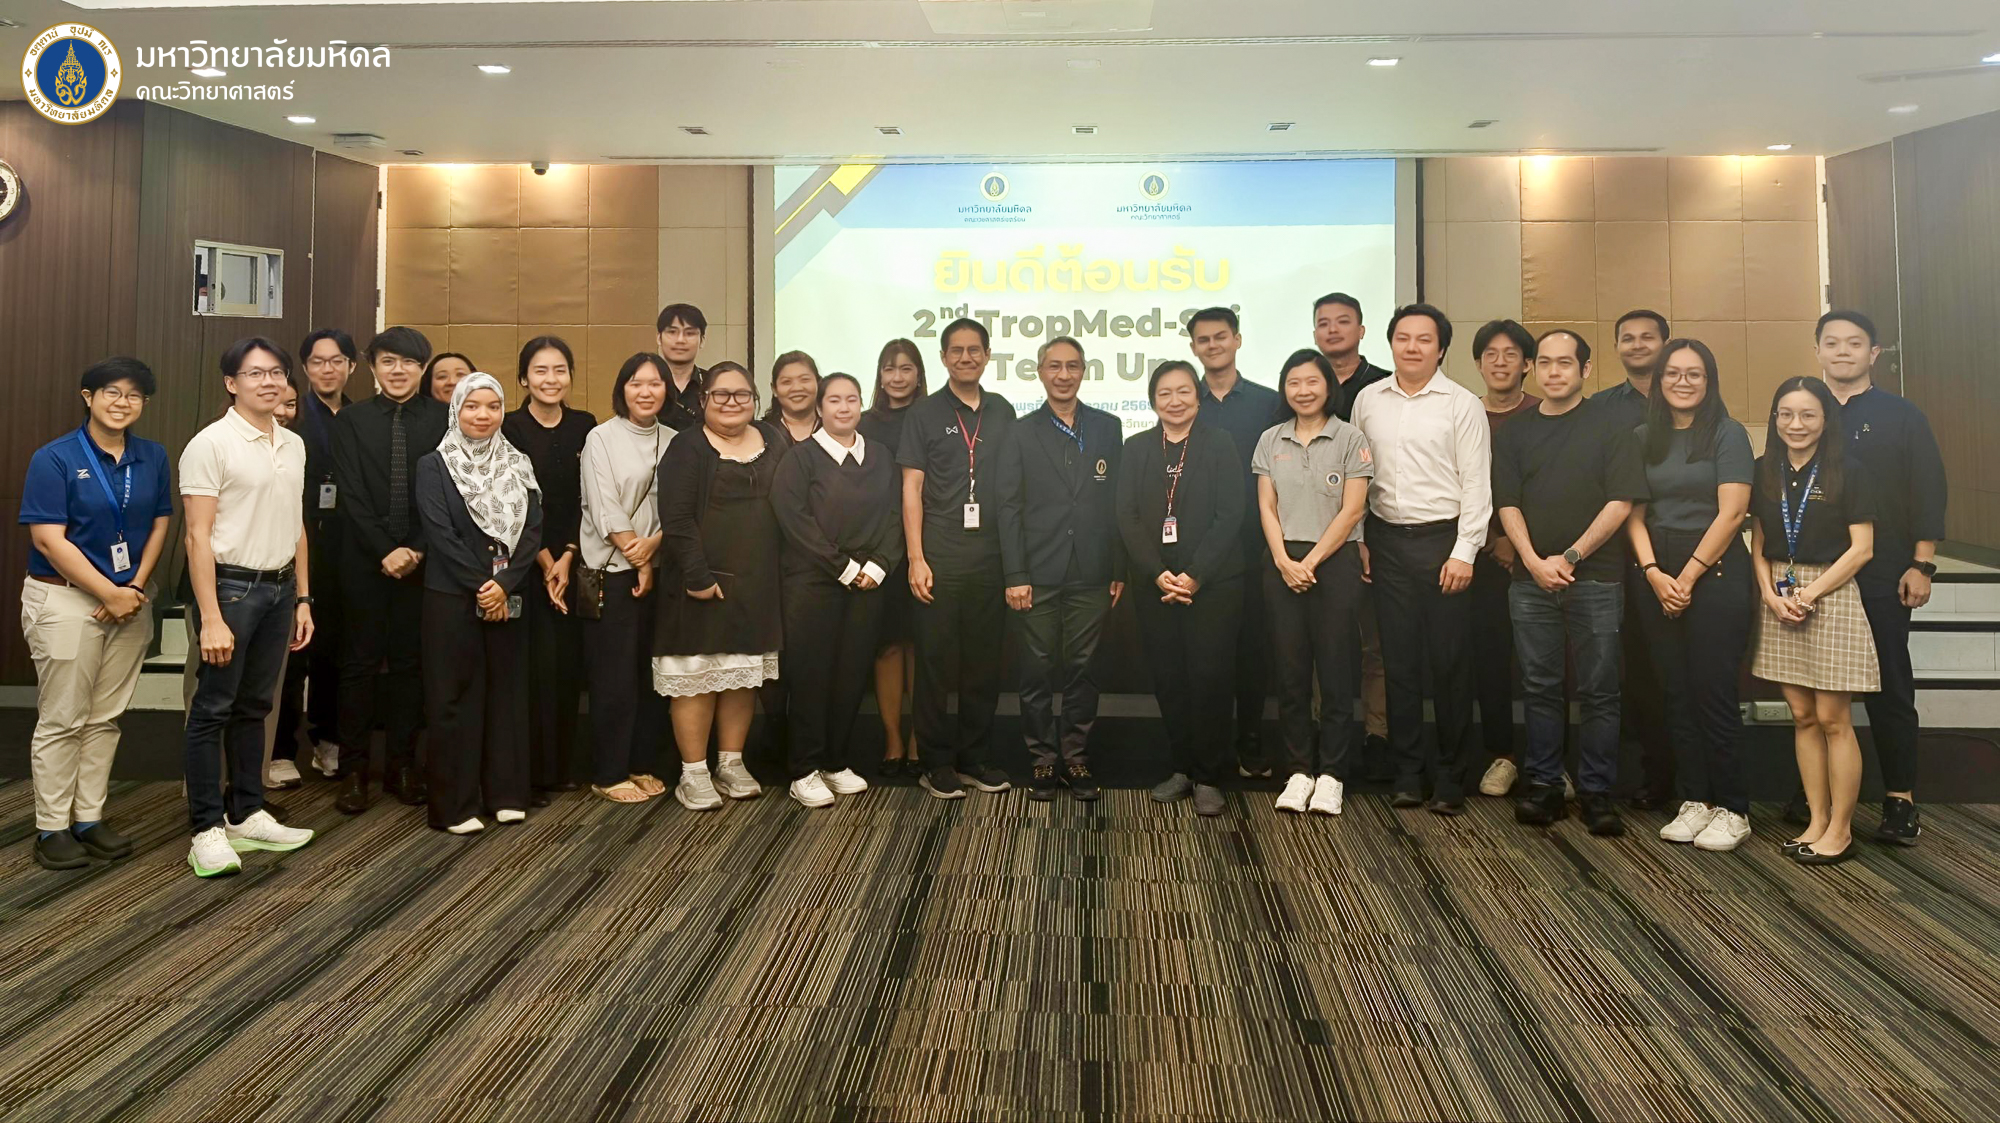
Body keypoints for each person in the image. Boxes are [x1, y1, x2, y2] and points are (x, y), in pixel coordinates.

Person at [19, 357, 174, 871]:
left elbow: (160, 523)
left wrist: (132, 587)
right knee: (63, 718)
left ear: (144, 403)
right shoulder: (55, 457)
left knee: (105, 718)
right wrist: (108, 591)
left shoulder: (153, 456)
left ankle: (88, 817)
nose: (122, 402)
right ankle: (51, 827)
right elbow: (48, 538)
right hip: (66, 600)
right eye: (111, 392)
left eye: (134, 394)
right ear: (88, 397)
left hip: (129, 600)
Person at [1493, 330, 1648, 836]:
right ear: (1533, 368)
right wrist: (1534, 561)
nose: (1553, 372)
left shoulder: (1612, 427)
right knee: (1539, 686)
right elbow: (1507, 504)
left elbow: (1621, 502)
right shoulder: (1515, 432)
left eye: (1565, 363)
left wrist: (1571, 556)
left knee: (1600, 690)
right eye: (1545, 363)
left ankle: (1597, 792)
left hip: (1596, 579)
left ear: (1585, 370)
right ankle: (1545, 785)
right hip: (1530, 581)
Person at [179, 338, 317, 878]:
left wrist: (303, 597)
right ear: (231, 383)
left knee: (256, 705)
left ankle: (247, 812)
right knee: (213, 707)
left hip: (281, 590)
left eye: (276, 372)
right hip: (231, 590)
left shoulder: (293, 443)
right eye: (255, 373)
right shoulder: (210, 444)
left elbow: (296, 524)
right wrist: (211, 617)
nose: (269, 381)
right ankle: (206, 828)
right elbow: (196, 536)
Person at [1349, 304, 1489, 814]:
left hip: (1444, 542)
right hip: (1386, 543)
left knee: (1449, 665)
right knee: (1399, 662)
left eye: (1424, 339)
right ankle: (1408, 772)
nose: (1412, 347)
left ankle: (1451, 775)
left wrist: (1465, 552)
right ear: (1390, 344)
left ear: (1441, 348)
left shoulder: (1462, 404)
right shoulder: (1368, 400)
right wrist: (1360, 537)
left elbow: (1477, 483)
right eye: (1403, 338)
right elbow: (1357, 477)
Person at [1814, 310, 1945, 846]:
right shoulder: (1804, 410)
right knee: (1821, 686)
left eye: (1854, 343)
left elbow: (1927, 488)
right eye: (1832, 343)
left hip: (1885, 569)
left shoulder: (1902, 415)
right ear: (1818, 351)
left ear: (1872, 354)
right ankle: (1816, 795)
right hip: (1817, 572)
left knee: (1889, 684)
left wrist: (1922, 562)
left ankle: (1900, 799)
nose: (1842, 351)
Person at [1624, 339, 1756, 851]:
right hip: (1656, 574)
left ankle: (1733, 807)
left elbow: (1733, 513)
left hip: (1715, 572)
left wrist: (1688, 575)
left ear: (1709, 381)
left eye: (1694, 374)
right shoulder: (1643, 437)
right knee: (1674, 691)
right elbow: (1633, 514)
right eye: (1673, 373)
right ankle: (1695, 799)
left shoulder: (1727, 433)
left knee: (1713, 690)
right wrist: (1654, 573)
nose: (1683, 382)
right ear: (1659, 381)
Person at [1749, 377, 1879, 866]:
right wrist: (1768, 594)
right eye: (1786, 414)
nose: (1796, 424)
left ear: (1826, 420)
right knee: (1802, 716)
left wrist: (1811, 593)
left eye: (1807, 415)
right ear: (1775, 418)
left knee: (1832, 719)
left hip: (1832, 590)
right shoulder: (1763, 469)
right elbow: (1760, 541)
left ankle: (1841, 830)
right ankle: (1816, 820)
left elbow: (1862, 549)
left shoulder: (1850, 470)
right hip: (1780, 594)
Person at [993, 336, 1123, 802]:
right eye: (1054, 366)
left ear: (1084, 370)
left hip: (1093, 570)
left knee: (1084, 668)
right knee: (1037, 669)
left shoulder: (1108, 426)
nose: (1063, 374)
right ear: (1040, 372)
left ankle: (1076, 756)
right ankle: (1043, 759)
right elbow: (1008, 506)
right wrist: (1015, 575)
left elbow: (1118, 502)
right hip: (1037, 571)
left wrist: (1118, 566)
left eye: (1072, 366)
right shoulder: (1020, 432)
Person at [415, 373, 542, 833]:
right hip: (452, 597)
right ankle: (456, 806)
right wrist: (482, 586)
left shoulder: (518, 462)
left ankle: (507, 794)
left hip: (509, 594)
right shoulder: (434, 464)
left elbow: (532, 530)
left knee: (507, 694)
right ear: (456, 410)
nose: (483, 415)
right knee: (453, 698)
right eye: (472, 406)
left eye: (492, 406)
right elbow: (440, 533)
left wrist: (504, 584)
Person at [1117, 361, 1245, 817]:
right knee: (1169, 679)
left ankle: (1209, 775)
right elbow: (1127, 516)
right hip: (1156, 585)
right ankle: (1182, 767)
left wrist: (1195, 574)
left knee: (1210, 678)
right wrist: (1157, 573)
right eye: (1165, 393)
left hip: (1213, 585)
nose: (1175, 401)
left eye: (1184, 391)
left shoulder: (1219, 443)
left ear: (1198, 396)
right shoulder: (1136, 448)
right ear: (1153, 401)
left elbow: (1231, 513)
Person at [898, 318, 1018, 800]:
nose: (966, 358)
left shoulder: (1003, 410)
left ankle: (974, 758)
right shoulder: (924, 413)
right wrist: (916, 557)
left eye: (974, 350)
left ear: (987, 356)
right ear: (944, 358)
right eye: (957, 351)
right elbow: (911, 487)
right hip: (939, 557)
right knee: (935, 665)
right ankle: (935, 763)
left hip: (991, 558)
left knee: (983, 665)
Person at [771, 373, 903, 807]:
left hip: (869, 581)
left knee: (851, 674)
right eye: (834, 400)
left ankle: (834, 761)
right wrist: (842, 567)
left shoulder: (880, 456)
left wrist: (880, 565)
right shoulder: (801, 458)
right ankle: (803, 769)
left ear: (861, 404)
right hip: (814, 581)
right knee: (812, 675)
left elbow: (896, 515)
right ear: (820, 408)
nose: (844, 408)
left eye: (851, 399)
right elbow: (794, 520)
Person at [330, 327, 446, 813]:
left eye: (409, 362)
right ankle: (353, 771)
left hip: (423, 563)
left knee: (409, 665)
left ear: (423, 368)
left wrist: (415, 549)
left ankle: (402, 765)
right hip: (363, 561)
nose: (398, 371)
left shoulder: (444, 418)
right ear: (373, 366)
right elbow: (350, 493)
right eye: (388, 361)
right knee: (358, 665)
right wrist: (385, 550)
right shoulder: (351, 420)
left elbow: (448, 492)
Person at [655, 363, 781, 810]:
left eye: (742, 394)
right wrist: (698, 576)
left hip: (757, 583)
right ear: (703, 400)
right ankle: (693, 772)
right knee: (697, 677)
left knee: (741, 674)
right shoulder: (687, 447)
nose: (732, 402)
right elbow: (676, 518)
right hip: (699, 584)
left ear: (755, 400)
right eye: (721, 394)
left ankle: (731, 763)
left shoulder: (773, 439)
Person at [1254, 350, 1372, 816]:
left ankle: (1332, 774)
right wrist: (1284, 560)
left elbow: (1353, 509)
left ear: (1328, 386)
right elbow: (1266, 507)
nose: (1303, 391)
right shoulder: (1270, 439)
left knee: (1336, 669)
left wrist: (1312, 561)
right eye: (1293, 382)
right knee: (1291, 671)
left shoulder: (1350, 437)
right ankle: (1299, 770)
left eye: (1312, 382)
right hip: (1283, 561)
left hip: (1334, 561)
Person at [1188, 307, 1283, 777]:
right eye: (1203, 340)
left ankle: (1249, 740)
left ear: (1238, 340)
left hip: (1256, 544)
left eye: (1220, 336)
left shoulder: (1269, 403)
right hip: (1196, 551)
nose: (1213, 345)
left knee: (1251, 649)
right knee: (1206, 655)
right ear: (1193, 348)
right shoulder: (1185, 401)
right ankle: (1207, 747)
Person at [501, 336, 596, 801]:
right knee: (531, 668)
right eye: (540, 370)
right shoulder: (509, 427)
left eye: (560, 370)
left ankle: (562, 767)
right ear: (524, 378)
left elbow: (588, 496)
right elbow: (513, 502)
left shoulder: (585, 425)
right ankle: (531, 772)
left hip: (574, 560)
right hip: (524, 563)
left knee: (568, 665)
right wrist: (543, 561)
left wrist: (568, 556)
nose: (551, 379)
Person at [579, 353, 674, 803]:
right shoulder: (600, 437)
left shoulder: (676, 440)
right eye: (636, 383)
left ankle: (640, 764)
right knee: (613, 676)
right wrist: (640, 558)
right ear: (622, 389)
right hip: (612, 571)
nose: (646, 391)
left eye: (655, 383)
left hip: (658, 566)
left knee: (650, 675)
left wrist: (654, 549)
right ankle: (609, 771)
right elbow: (604, 505)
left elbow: (681, 507)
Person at [1596, 309, 1675, 808]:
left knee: (1670, 668)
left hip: (1675, 552)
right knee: (1625, 668)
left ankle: (1679, 775)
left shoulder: (1690, 399)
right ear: (1617, 347)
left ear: (1666, 343)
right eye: (1628, 338)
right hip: (1613, 555)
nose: (1638, 344)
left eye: (1648, 337)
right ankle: (1637, 773)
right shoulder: (1602, 408)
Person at [1470, 320, 1539, 796]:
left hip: (1539, 557)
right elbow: (1458, 482)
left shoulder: (1544, 414)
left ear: (1527, 364)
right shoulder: (1464, 412)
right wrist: (1494, 538)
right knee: (1490, 658)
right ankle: (1503, 755)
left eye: (1510, 354)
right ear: (1478, 363)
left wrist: (1520, 543)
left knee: (1542, 663)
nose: (1500, 362)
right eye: (1490, 354)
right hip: (1481, 555)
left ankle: (1548, 759)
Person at [289, 328, 354, 780]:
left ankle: (328, 739)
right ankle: (280, 749)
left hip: (346, 546)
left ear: (351, 366)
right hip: (297, 540)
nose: (327, 370)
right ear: (305, 367)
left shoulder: (360, 416)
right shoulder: (292, 414)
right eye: (317, 361)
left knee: (336, 649)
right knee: (295, 649)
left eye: (336, 361)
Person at [859, 338, 926, 776]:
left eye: (905, 368)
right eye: (889, 368)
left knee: (920, 646)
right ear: (880, 375)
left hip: (926, 545)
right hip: (878, 546)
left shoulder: (933, 417)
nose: (897, 377)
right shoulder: (863, 422)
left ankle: (920, 739)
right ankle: (892, 740)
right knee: (886, 647)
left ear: (919, 374)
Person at [1314, 292, 1389, 422]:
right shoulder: (1303, 386)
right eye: (1323, 324)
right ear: (1315, 336)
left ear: (1361, 331)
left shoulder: (1385, 383)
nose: (1332, 330)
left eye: (1343, 322)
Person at [657, 303, 710, 432]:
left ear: (702, 340)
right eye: (672, 332)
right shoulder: (644, 383)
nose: (680, 340)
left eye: (689, 333)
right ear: (659, 338)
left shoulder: (713, 383)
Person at [764, 351, 822, 445]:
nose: (796, 388)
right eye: (786, 382)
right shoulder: (763, 434)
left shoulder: (834, 430)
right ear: (774, 389)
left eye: (805, 379)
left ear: (819, 383)